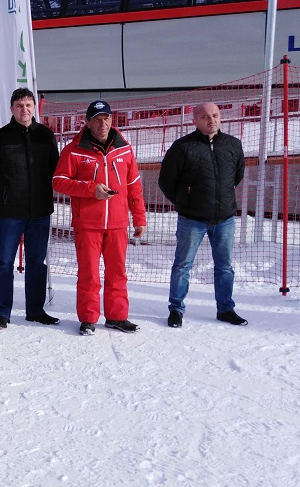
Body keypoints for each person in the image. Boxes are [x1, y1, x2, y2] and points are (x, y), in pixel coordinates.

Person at [52, 100, 147, 335]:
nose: (102, 123)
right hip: (88, 224)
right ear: (87, 122)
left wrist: (139, 218)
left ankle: (116, 316)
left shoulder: (124, 148)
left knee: (118, 273)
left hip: (117, 224)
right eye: (97, 119)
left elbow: (134, 185)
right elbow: (59, 181)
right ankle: (88, 318)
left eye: (106, 118)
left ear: (112, 120)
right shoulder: (73, 150)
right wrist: (90, 188)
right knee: (89, 274)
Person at [158, 101, 248, 328]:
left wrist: (222, 200)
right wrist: (185, 202)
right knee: (182, 265)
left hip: (224, 218)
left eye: (215, 115)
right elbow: (166, 181)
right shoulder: (182, 147)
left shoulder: (233, 145)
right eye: (206, 117)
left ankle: (225, 308)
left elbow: (236, 176)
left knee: (225, 266)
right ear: (195, 120)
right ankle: (176, 309)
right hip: (192, 219)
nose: (212, 120)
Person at [0, 87, 60, 330]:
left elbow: (54, 170)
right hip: (9, 212)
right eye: (19, 106)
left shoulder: (46, 136)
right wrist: (3, 191)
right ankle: (2, 312)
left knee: (37, 263)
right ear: (12, 109)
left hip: (40, 211)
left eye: (28, 105)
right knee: (5, 263)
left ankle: (35, 310)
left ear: (34, 107)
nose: (24, 109)